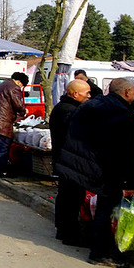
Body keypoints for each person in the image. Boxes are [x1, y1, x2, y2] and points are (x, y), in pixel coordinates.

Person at [58, 78, 134, 268]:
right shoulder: (123, 114)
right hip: (108, 169)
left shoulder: (91, 105)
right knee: (107, 210)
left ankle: (92, 245)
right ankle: (101, 253)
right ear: (127, 92)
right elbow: (126, 153)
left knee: (98, 208)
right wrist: (129, 183)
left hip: (85, 163)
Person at [48, 79, 92, 245]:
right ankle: (69, 233)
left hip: (66, 160)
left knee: (67, 197)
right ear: (75, 94)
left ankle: (63, 230)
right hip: (69, 161)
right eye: (86, 93)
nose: (89, 96)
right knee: (71, 198)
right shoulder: (69, 111)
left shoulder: (65, 107)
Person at [0, 72, 29, 177]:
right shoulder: (13, 87)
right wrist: (24, 111)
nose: (21, 88)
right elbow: (17, 104)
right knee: (2, 148)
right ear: (19, 82)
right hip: (2, 124)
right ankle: (1, 171)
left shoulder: (2, 85)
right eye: (22, 86)